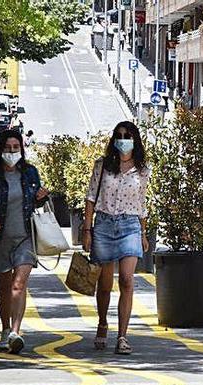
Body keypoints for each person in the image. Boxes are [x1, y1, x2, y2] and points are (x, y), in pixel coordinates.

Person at [82, 121, 151, 355]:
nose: (123, 139)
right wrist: (87, 230)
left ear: (135, 140)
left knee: (126, 280)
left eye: (128, 136)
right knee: (104, 284)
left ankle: (122, 336)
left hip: (130, 225)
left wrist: (143, 233)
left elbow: (142, 204)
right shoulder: (102, 166)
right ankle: (102, 323)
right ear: (114, 139)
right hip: (103, 224)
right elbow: (91, 197)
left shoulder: (143, 169)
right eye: (119, 135)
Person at [0, 129, 49, 354]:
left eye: (15, 148)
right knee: (3, 287)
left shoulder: (30, 173)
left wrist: (42, 196)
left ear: (21, 149)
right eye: (8, 148)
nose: (12, 152)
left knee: (19, 285)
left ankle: (15, 333)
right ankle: (5, 328)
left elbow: (36, 203)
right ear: (0, 150)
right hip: (1, 238)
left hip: (25, 238)